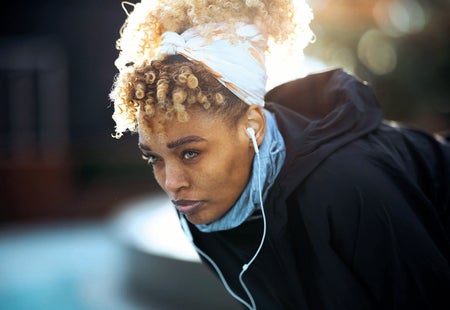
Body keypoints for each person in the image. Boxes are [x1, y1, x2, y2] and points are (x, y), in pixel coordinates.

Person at [109, 1, 450, 309]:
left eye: (190, 153)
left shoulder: (350, 183)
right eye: (154, 158)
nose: (172, 183)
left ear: (253, 126)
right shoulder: (203, 206)